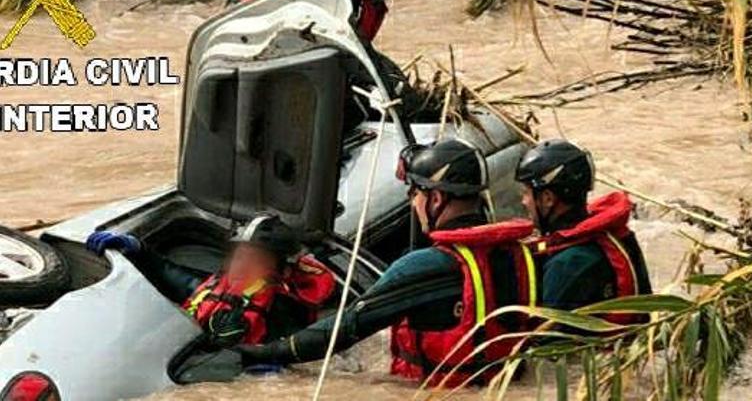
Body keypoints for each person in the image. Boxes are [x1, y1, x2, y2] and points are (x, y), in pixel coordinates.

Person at [236, 140, 538, 387]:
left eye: (415, 193)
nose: (413, 203)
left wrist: (264, 352)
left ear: (435, 199)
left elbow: (342, 331)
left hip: (435, 391)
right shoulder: (520, 253)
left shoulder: (425, 266)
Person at [235, 0, 420, 128]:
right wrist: (386, 84)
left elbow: (355, 49)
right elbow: (341, 48)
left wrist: (392, 81)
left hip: (274, 66)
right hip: (251, 61)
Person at [86, 214, 336, 348]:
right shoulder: (221, 286)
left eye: (254, 259)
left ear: (278, 269)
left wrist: (227, 346)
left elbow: (282, 370)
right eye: (240, 256)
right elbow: (176, 278)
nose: (242, 265)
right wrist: (137, 250)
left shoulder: (285, 311)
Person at [515, 140, 652, 323]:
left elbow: (547, 337)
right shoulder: (618, 236)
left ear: (547, 198)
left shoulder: (568, 263)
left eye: (526, 193)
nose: (524, 202)